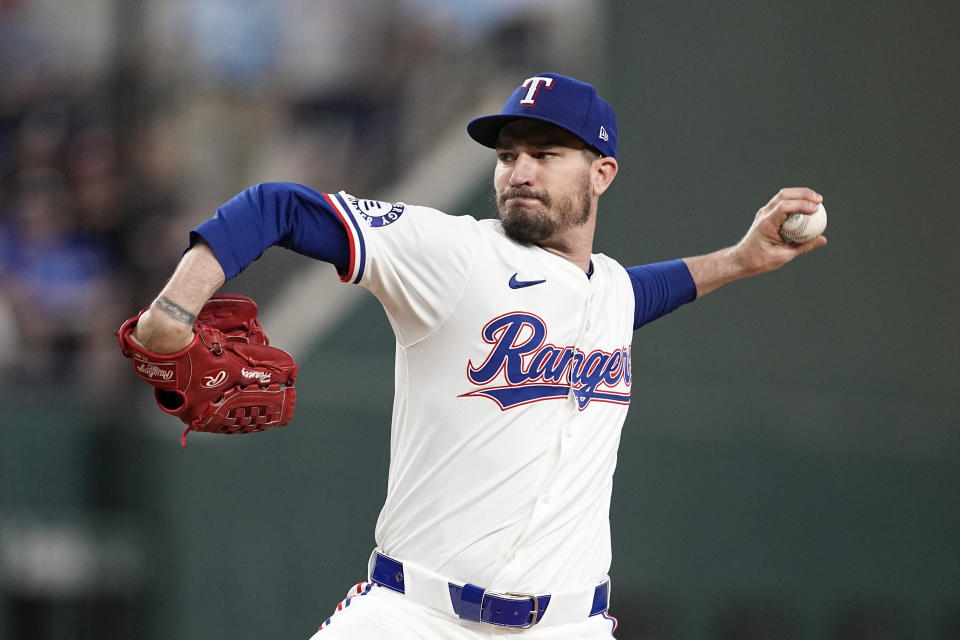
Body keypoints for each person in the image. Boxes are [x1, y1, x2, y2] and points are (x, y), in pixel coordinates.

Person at [125, 73, 826, 638]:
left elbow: (640, 292)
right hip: (414, 616)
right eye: (507, 155)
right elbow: (277, 207)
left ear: (601, 173)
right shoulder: (452, 253)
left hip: (568, 624)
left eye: (545, 154)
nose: (519, 170)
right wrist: (173, 313)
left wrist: (739, 260)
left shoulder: (607, 290)